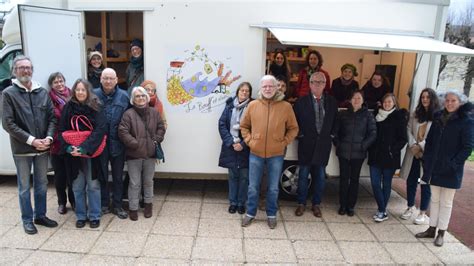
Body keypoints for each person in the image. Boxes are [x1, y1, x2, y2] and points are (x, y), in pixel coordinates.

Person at [2, 56, 58, 234]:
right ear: (15, 71)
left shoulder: (41, 92)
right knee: (24, 187)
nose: (26, 71)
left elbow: (52, 118)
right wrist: (32, 140)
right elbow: (8, 123)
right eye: (21, 68)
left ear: (32, 70)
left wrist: (48, 138)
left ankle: (40, 216)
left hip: (42, 147)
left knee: (41, 183)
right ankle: (27, 220)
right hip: (22, 150)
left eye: (28, 68)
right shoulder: (8, 94)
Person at [416, 90, 473, 247]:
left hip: (451, 169)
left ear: (459, 102)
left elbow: (467, 147)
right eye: (447, 100)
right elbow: (431, 141)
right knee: (434, 199)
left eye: (453, 100)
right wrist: (426, 159)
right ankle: (431, 228)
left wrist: (453, 164)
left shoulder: (466, 121)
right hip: (434, 165)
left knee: (446, 202)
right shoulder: (438, 117)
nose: (449, 103)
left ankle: (442, 232)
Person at [240, 75, 298, 229]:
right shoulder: (253, 105)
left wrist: (283, 142)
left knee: (273, 187)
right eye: (264, 86)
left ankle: (271, 214)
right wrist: (250, 141)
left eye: (270, 86)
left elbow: (294, 128)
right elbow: (244, 126)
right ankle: (250, 213)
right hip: (255, 153)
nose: (267, 89)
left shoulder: (286, 107)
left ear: (276, 88)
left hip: (276, 155)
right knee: (253, 186)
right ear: (261, 88)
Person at [58, 79, 107, 229]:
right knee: (77, 186)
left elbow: (100, 130)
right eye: (77, 89)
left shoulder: (96, 107)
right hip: (73, 155)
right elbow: (61, 131)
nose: (80, 92)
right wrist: (68, 148)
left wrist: (84, 148)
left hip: (92, 153)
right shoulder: (67, 108)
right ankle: (81, 215)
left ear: (88, 91)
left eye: (83, 90)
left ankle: (94, 215)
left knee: (93, 185)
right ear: (74, 91)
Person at [293, 72, 337, 218]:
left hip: (323, 145)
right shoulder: (301, 102)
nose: (317, 84)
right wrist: (300, 135)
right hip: (306, 144)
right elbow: (294, 122)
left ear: (325, 85)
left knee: (319, 176)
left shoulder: (331, 102)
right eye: (314, 82)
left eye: (320, 82)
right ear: (310, 84)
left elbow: (336, 122)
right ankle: (301, 203)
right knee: (303, 175)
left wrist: (331, 135)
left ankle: (316, 204)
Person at [118, 86, 166, 221]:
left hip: (150, 154)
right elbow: (122, 131)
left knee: (148, 182)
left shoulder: (154, 112)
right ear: (133, 99)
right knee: (134, 183)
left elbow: (161, 127)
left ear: (147, 97)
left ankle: (148, 206)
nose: (141, 98)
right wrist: (134, 144)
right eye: (137, 96)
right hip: (134, 155)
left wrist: (156, 140)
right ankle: (133, 208)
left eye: (143, 95)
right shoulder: (128, 114)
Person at [93, 68, 130, 219]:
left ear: (116, 80)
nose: (108, 81)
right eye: (105, 78)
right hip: (100, 143)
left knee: (117, 175)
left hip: (118, 143)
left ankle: (118, 205)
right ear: (101, 79)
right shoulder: (93, 95)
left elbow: (130, 119)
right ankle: (103, 204)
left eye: (111, 78)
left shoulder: (124, 96)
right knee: (102, 175)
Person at [399, 88, 440, 224]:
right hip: (413, 154)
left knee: (425, 184)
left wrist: (421, 146)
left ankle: (422, 212)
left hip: (426, 155)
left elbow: (434, 137)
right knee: (411, 181)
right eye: (423, 97)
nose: (425, 100)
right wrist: (413, 145)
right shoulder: (415, 114)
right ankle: (410, 207)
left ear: (432, 99)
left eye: (428, 97)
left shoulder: (437, 117)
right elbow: (408, 130)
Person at [333, 91, 376, 216]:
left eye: (359, 98)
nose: (356, 100)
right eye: (354, 97)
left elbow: (373, 133)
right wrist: (338, 144)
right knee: (343, 179)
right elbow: (335, 132)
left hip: (359, 153)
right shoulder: (342, 114)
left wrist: (364, 146)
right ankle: (342, 205)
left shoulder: (367, 115)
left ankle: (351, 206)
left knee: (354, 180)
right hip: (343, 152)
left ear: (362, 101)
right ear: (350, 100)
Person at [368, 93, 408, 222]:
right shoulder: (376, 115)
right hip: (375, 156)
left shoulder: (398, 117)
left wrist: (392, 150)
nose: (387, 104)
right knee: (374, 183)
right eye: (385, 102)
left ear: (394, 103)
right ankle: (382, 210)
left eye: (389, 102)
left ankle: (381, 210)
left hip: (389, 158)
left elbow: (403, 139)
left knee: (386, 184)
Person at [218, 82, 253, 215]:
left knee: (244, 177)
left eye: (247, 91)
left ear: (250, 93)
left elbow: (254, 128)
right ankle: (233, 203)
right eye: (242, 90)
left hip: (246, 147)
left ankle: (241, 203)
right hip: (230, 147)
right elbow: (222, 124)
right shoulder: (229, 106)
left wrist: (242, 144)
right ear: (237, 92)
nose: (244, 93)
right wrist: (231, 142)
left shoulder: (252, 107)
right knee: (233, 176)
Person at [47, 72, 74, 214]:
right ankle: (61, 203)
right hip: (56, 144)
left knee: (72, 175)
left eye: (61, 81)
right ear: (51, 85)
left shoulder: (72, 95)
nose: (59, 84)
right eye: (56, 82)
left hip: (71, 141)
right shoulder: (48, 99)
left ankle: (73, 202)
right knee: (60, 177)